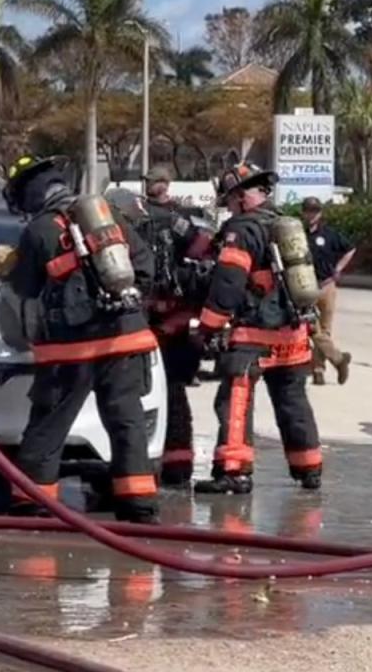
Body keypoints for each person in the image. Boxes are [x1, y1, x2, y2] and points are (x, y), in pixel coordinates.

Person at [0, 155, 161, 524]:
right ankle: (138, 504)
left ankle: (33, 502)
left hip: (71, 351)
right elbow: (146, 269)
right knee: (126, 421)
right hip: (124, 343)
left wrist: (10, 268)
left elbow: (24, 290)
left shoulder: (39, 231)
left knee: (48, 425)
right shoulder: (110, 218)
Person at [192, 163, 323, 495]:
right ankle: (308, 467)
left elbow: (228, 286)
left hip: (254, 335)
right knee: (293, 401)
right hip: (293, 334)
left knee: (235, 400)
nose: (229, 208)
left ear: (238, 197)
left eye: (230, 200)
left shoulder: (241, 230)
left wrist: (207, 328)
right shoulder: (284, 223)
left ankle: (233, 472)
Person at [134, 165, 217, 487]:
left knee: (149, 392)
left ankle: (159, 463)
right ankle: (175, 465)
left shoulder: (136, 219)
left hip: (152, 319)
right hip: (166, 319)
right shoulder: (180, 220)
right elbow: (204, 252)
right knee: (171, 393)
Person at [301, 197, 355, 386]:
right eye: (308, 210)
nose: (312, 214)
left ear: (320, 213)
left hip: (327, 285)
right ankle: (338, 359)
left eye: (315, 211)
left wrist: (339, 269)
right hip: (307, 287)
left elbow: (350, 249)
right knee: (312, 328)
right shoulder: (299, 235)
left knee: (325, 329)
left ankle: (318, 371)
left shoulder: (330, 234)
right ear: (303, 212)